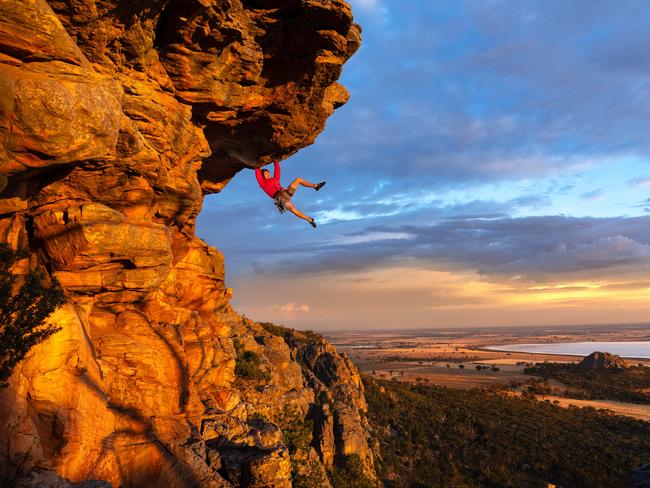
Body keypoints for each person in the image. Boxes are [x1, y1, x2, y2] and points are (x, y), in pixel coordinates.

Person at [255, 161, 325, 228]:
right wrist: (257, 164)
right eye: (266, 173)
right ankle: (309, 219)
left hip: (285, 192)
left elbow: (277, 169)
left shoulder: (275, 178)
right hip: (280, 199)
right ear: (262, 176)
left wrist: (275, 161)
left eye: (268, 173)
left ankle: (315, 186)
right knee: (292, 209)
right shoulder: (262, 182)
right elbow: (257, 170)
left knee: (298, 179)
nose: (268, 174)